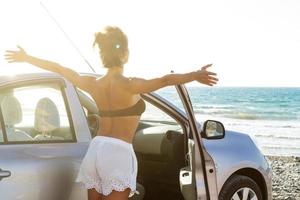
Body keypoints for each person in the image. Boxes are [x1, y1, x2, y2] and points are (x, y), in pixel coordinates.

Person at [4, 26, 218, 200]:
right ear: (124, 54)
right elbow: (165, 80)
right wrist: (195, 75)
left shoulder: (93, 83)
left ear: (103, 56)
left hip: (96, 150)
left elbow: (60, 69)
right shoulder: (130, 84)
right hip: (119, 153)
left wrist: (27, 57)